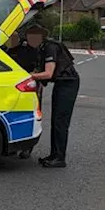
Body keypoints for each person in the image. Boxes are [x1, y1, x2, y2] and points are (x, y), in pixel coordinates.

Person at [24, 23, 79, 168]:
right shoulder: (42, 48)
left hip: (68, 82)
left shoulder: (50, 47)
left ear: (41, 36)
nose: (30, 39)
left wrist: (30, 76)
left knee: (60, 121)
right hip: (61, 83)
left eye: (33, 35)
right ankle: (54, 155)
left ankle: (60, 158)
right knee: (56, 120)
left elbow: (48, 73)